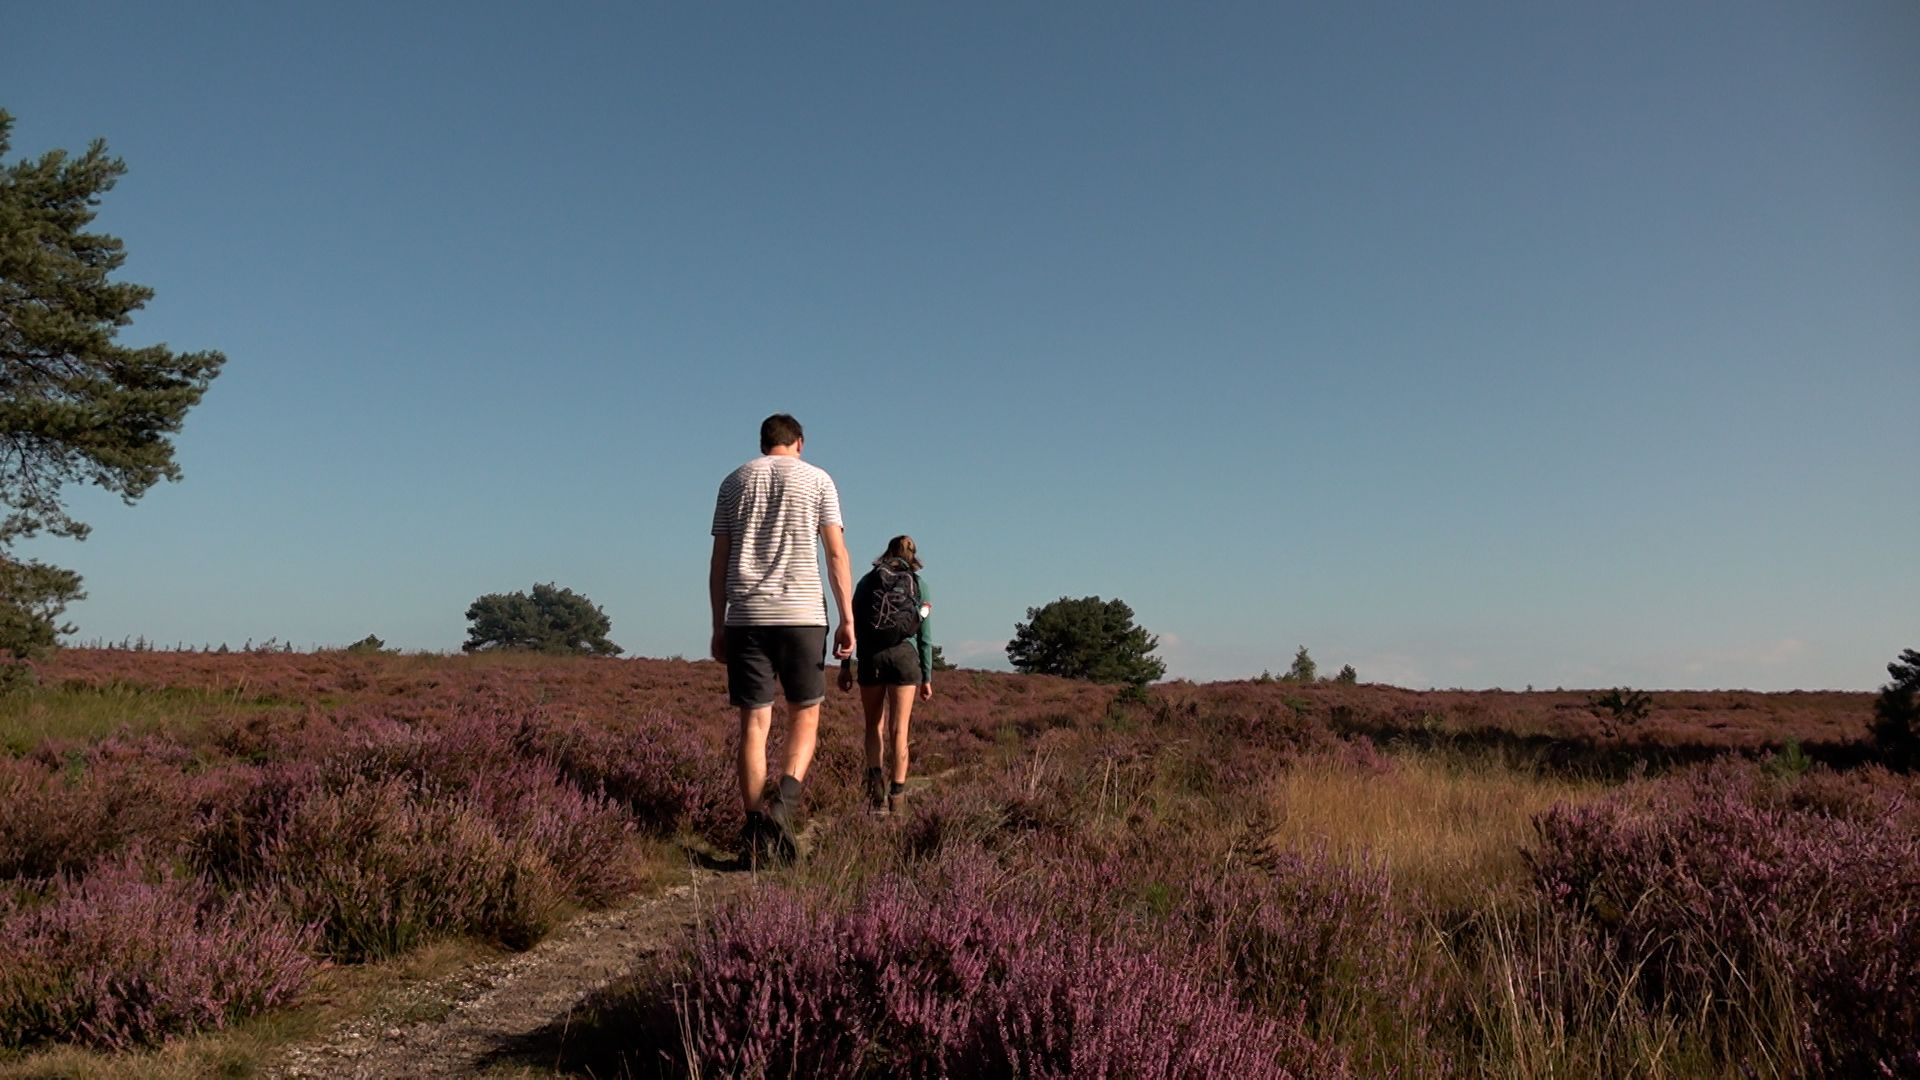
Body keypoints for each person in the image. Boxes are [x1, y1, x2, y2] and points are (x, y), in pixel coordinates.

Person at [710, 413, 855, 865]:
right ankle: (784, 806)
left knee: (754, 726)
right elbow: (835, 553)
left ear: (763, 443)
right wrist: (848, 617)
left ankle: (754, 830)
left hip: (747, 616)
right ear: (799, 442)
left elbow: (719, 561)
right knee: (804, 717)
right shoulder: (819, 481)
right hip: (802, 614)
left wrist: (718, 623)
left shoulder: (733, 482)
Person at [838, 535, 933, 815]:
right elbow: (925, 637)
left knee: (873, 726)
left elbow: (850, 626)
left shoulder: (868, 582)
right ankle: (898, 797)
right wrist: (926, 677)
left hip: (871, 657)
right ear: (913, 556)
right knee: (899, 729)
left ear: (887, 551)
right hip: (905, 658)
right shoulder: (919, 585)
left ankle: (876, 791)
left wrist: (846, 668)